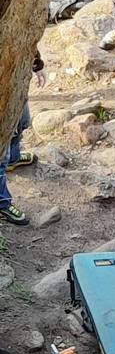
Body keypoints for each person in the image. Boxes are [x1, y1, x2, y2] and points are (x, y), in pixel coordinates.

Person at [0, 51, 46, 226]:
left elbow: (23, 29)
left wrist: (36, 62)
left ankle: (14, 158)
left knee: (22, 122)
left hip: (13, 82)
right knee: (0, 154)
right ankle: (2, 203)